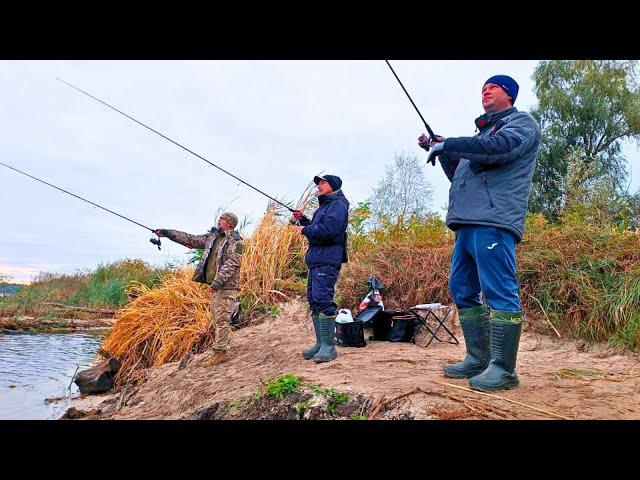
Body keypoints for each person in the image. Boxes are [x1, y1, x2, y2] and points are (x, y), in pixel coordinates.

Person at [418, 75, 541, 391]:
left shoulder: (520, 124)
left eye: (493, 87)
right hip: (467, 222)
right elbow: (461, 175)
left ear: (509, 95)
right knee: (461, 287)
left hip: (494, 221)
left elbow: (498, 150)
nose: (485, 90)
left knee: (499, 290)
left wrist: (453, 143)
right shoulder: (482, 135)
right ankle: (478, 358)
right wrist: (443, 151)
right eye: (483, 88)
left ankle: (503, 370)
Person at [154, 212, 243, 352]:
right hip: (215, 286)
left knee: (221, 318)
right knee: (217, 318)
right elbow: (190, 239)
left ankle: (221, 352)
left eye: (222, 219)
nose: (219, 220)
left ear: (230, 223)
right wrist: (167, 233)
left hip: (226, 286)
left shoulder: (237, 242)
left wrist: (218, 282)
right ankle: (225, 344)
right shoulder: (212, 237)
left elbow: (233, 262)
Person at [293, 174, 349, 363]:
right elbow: (317, 229)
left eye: (322, 183)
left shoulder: (338, 206)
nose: (319, 186)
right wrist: (303, 221)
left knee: (324, 300)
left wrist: (305, 230)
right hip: (317, 260)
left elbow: (328, 232)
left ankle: (329, 347)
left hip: (327, 260)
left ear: (332, 185)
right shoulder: (324, 207)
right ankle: (320, 344)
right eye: (318, 183)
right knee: (315, 301)